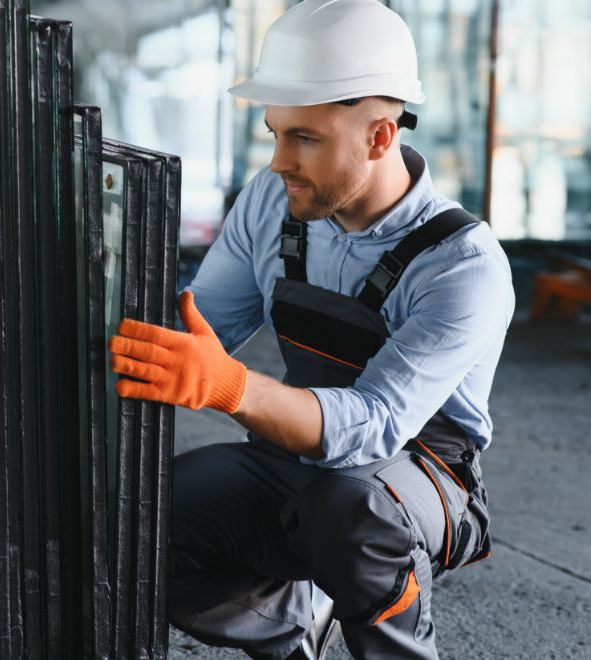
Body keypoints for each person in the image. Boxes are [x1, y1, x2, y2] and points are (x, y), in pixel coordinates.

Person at [107, 0, 515, 658]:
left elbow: (375, 424)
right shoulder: (275, 202)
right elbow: (200, 322)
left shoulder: (462, 265)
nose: (278, 161)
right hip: (294, 457)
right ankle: (296, 631)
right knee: (149, 519)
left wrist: (230, 387)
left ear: (380, 136)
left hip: (422, 476)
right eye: (275, 133)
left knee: (349, 512)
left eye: (305, 138)